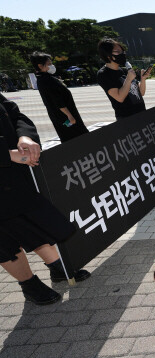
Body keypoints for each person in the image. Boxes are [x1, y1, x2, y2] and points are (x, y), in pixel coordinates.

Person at [0, 94, 91, 305]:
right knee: (5, 243)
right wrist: (5, 154)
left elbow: (14, 114)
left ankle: (57, 267)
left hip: (13, 176)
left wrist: (25, 137)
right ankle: (29, 284)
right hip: (7, 165)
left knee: (30, 221)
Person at [30, 52, 89, 142]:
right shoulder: (46, 80)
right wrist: (69, 115)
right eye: (49, 64)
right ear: (40, 66)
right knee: (77, 137)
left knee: (71, 136)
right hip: (65, 116)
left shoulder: (43, 78)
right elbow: (58, 101)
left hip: (60, 115)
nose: (52, 66)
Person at [96, 38, 148, 120]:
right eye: (117, 52)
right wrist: (128, 79)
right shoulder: (103, 74)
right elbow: (119, 97)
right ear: (108, 55)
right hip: (127, 118)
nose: (122, 54)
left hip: (142, 113)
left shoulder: (124, 70)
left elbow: (141, 93)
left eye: (122, 51)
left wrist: (143, 79)